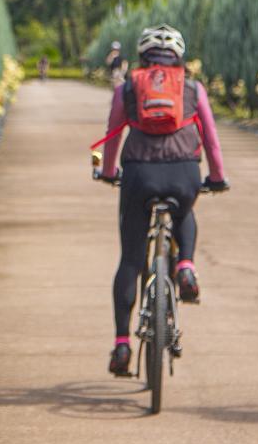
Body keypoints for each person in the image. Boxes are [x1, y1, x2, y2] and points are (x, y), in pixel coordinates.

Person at [94, 24, 229, 377]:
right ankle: (185, 266)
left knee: (130, 260)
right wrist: (216, 177)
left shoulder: (127, 88)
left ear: (142, 56)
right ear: (179, 57)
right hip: (183, 172)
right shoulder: (192, 88)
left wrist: (109, 172)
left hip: (138, 175)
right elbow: (211, 139)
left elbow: (112, 136)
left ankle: (122, 343)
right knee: (185, 210)